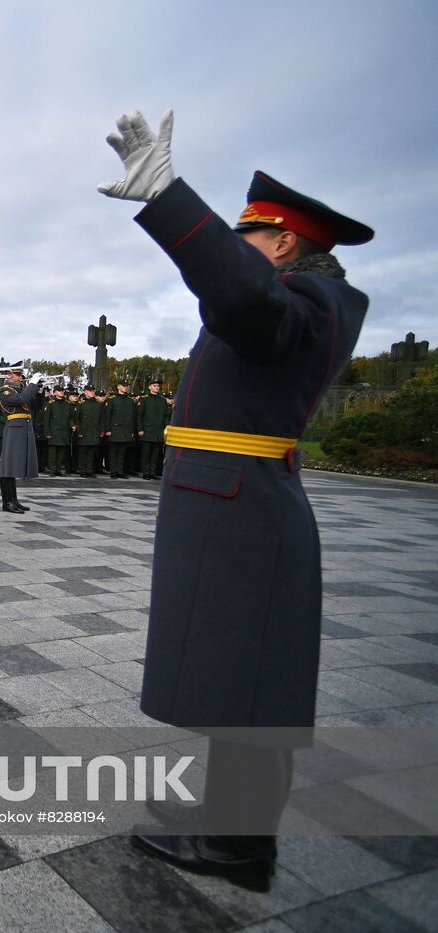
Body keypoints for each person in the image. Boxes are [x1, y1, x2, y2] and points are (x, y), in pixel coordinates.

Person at [98, 110, 373, 890]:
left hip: (243, 510)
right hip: (232, 504)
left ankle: (239, 848)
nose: (239, 252)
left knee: (253, 691)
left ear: (283, 242)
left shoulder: (301, 304)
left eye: (249, 237)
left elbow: (244, 298)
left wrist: (172, 199)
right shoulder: (293, 301)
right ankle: (229, 824)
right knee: (238, 680)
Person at [0, 364, 40, 513]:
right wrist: (32, 384)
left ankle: (13, 500)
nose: (19, 377)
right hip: (14, 428)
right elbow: (22, 399)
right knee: (8, 466)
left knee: (13, 466)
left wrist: (37, 388)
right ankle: (7, 502)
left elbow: (37, 404)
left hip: (24, 427)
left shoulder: (22, 389)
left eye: (20, 375)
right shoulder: (5, 390)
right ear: (8, 375)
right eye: (15, 374)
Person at [137, 377, 170, 480]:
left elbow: (165, 416)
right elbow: (140, 415)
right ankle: (146, 472)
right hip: (147, 430)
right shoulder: (144, 399)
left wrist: (166, 428)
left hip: (158, 431)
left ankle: (152, 471)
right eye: (155, 386)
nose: (157, 387)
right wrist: (140, 429)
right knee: (146, 453)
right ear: (149, 387)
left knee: (156, 453)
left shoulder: (162, 400)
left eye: (158, 386)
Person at [104, 380, 137, 478]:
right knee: (114, 452)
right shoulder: (112, 400)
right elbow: (107, 416)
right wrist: (107, 429)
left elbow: (132, 417)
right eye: (123, 386)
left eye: (127, 386)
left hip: (126, 430)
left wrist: (131, 431)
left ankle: (120, 471)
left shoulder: (130, 401)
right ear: (118, 387)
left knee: (122, 453)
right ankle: (113, 471)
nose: (125, 387)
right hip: (114, 430)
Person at [74, 385, 105, 477]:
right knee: (83, 453)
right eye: (89, 391)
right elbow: (77, 419)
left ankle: (89, 470)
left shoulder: (98, 405)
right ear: (85, 392)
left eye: (93, 391)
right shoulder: (81, 404)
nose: (92, 392)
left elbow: (102, 419)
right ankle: (82, 470)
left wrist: (102, 431)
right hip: (83, 432)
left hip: (94, 432)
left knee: (91, 453)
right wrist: (79, 432)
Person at [43, 385, 73, 476]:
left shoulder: (67, 404)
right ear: (55, 392)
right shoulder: (51, 404)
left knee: (61, 453)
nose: (62, 392)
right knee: (53, 453)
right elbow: (47, 419)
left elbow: (71, 417)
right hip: (54, 432)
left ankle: (58, 470)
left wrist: (72, 425)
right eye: (59, 391)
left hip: (64, 432)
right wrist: (47, 432)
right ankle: (52, 470)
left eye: (62, 390)